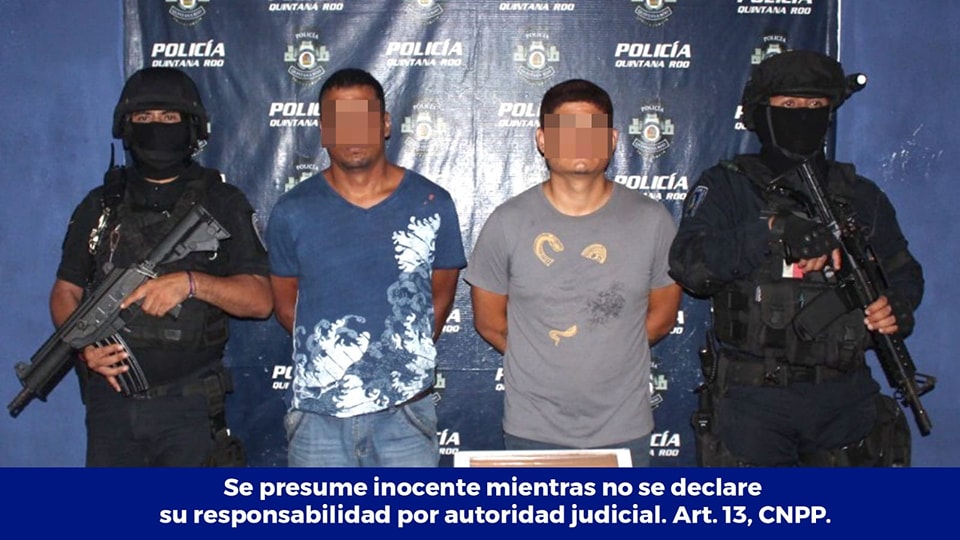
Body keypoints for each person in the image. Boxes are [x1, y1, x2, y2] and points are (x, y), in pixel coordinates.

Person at [668, 50, 924, 466]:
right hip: (755, 402)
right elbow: (690, 265)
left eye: (815, 104)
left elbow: (904, 272)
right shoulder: (729, 187)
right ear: (762, 111)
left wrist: (896, 306)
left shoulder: (859, 195)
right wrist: (772, 230)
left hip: (843, 400)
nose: (803, 114)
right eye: (789, 104)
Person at [50, 67, 273, 466]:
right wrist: (83, 345)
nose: (157, 126)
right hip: (112, 408)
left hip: (190, 410)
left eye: (169, 117)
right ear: (127, 126)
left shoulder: (222, 202)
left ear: (191, 127)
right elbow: (66, 290)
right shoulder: (100, 205)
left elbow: (260, 301)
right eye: (144, 117)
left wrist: (191, 283)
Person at [464, 79, 682, 467]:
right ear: (543, 140)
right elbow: (489, 322)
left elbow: (662, 317)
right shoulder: (507, 222)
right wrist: (546, 358)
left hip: (624, 428)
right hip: (532, 429)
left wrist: (609, 351)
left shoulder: (652, 221)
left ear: (612, 140)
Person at [265, 68, 466, 467]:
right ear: (324, 130)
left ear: (385, 124)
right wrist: (339, 362)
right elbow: (288, 306)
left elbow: (440, 297)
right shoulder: (292, 211)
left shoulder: (433, 203)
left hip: (405, 415)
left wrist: (396, 357)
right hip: (317, 418)